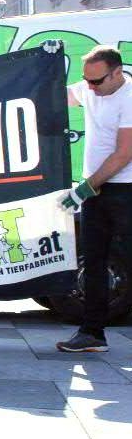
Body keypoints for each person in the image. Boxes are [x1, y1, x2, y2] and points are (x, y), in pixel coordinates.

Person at [56, 46, 132, 353]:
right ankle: (92, 333)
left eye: (97, 81)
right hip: (96, 191)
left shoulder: (129, 98)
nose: (90, 87)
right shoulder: (91, 88)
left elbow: (125, 153)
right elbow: (56, 96)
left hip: (126, 189)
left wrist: (87, 187)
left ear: (117, 72)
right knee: (94, 261)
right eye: (86, 81)